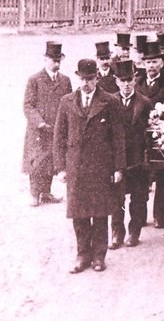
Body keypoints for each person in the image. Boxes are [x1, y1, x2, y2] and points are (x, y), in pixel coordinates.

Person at [53, 59, 126, 273]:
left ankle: (98, 256)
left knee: (100, 213)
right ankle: (82, 254)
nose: (86, 83)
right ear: (78, 78)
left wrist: (118, 167)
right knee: (79, 213)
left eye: (90, 79)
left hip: (100, 166)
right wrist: (60, 168)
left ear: (97, 78)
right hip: (76, 167)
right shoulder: (66, 101)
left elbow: (118, 138)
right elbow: (59, 137)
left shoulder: (110, 101)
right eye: (83, 79)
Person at [135, 40, 164, 229]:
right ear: (143, 64)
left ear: (162, 63)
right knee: (141, 175)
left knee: (163, 175)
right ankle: (139, 216)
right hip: (140, 136)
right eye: (148, 62)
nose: (151, 66)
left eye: (155, 62)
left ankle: (159, 215)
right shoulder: (137, 84)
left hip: (162, 137)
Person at [109, 59, 153, 249]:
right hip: (118, 160)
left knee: (139, 197)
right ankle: (117, 233)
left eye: (129, 80)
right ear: (116, 81)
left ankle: (134, 232)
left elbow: (150, 133)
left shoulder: (145, 102)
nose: (126, 85)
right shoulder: (109, 102)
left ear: (135, 80)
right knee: (116, 198)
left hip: (138, 159)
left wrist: (147, 160)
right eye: (122, 80)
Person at [23, 41, 72, 207]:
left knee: (53, 159)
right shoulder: (35, 80)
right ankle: (34, 194)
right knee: (37, 161)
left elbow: (70, 103)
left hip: (56, 128)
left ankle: (46, 192)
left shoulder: (65, 81)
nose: (56, 64)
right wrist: (40, 123)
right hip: (38, 130)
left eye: (58, 60)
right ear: (45, 60)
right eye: (53, 60)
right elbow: (28, 105)